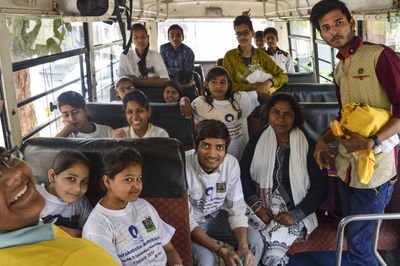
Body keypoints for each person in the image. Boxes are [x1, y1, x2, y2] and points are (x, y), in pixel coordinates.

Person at [310, 1, 400, 265]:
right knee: (351, 235)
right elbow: (343, 117)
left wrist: (373, 141)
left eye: (338, 22)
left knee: (360, 248)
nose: (333, 31)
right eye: (325, 28)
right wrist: (322, 140)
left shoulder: (380, 56)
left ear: (351, 23)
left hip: (376, 170)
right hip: (346, 167)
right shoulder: (340, 69)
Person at [240, 93, 328, 265]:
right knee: (253, 241)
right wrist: (256, 206)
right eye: (275, 112)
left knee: (273, 245)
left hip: (293, 207)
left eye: (287, 114)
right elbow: (243, 176)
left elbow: (320, 188)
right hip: (258, 204)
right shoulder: (256, 141)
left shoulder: (308, 146)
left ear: (295, 118)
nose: (280, 118)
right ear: (269, 115)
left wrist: (296, 215)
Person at [0, 146, 120, 266]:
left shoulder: (79, 204)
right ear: (52, 176)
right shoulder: (75, 256)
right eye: (71, 179)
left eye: (6, 158)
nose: (16, 175)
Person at [82, 147, 182, 265]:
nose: (137, 185)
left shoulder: (144, 206)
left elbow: (169, 249)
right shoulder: (98, 226)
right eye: (129, 179)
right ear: (107, 181)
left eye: (139, 179)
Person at [186, 119, 264, 266]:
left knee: (255, 243)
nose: (212, 154)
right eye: (206, 146)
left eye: (219, 147)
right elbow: (188, 221)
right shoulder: (183, 166)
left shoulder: (231, 164)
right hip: (193, 222)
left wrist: (243, 246)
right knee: (206, 261)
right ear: (196, 145)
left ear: (226, 149)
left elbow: (237, 207)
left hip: (218, 216)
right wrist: (221, 251)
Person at [181, 66, 259, 159]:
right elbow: (184, 110)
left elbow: (257, 95)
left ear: (229, 85)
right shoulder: (200, 103)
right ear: (206, 84)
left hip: (238, 156)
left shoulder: (239, 98)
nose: (218, 86)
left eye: (222, 82)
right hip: (212, 156)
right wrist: (183, 99)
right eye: (214, 82)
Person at [222, 15, 288, 98]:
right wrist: (252, 87)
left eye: (246, 33)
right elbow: (227, 84)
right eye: (239, 34)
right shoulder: (229, 56)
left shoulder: (261, 55)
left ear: (252, 33)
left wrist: (269, 83)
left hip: (263, 98)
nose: (242, 37)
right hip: (239, 100)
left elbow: (283, 76)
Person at [37, 150, 92, 238]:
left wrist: (76, 234)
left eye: (84, 182)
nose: (78, 188)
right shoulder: (33, 196)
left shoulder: (81, 203)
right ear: (52, 176)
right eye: (71, 179)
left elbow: (93, 233)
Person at [118, 23, 169, 87]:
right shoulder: (125, 56)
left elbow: (165, 81)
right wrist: (153, 80)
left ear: (148, 37)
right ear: (132, 40)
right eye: (136, 37)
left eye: (143, 36)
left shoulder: (155, 55)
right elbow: (121, 82)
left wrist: (135, 80)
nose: (140, 40)